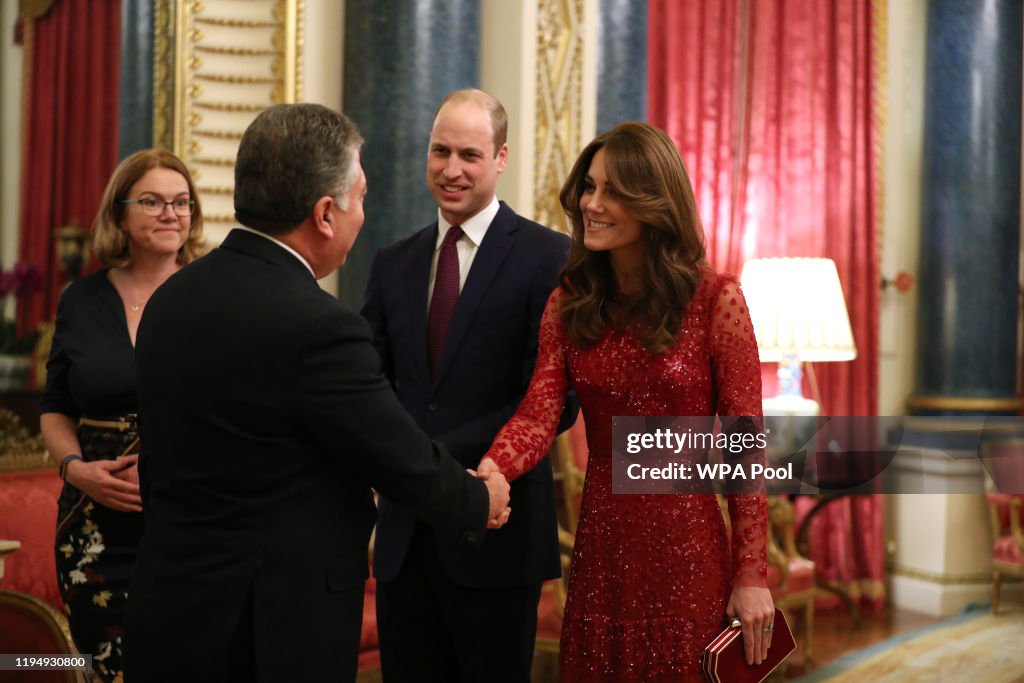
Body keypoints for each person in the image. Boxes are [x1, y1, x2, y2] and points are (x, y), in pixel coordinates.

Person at [124, 103, 511, 682]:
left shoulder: (170, 300)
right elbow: (393, 453)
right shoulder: (319, 326)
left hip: (168, 605)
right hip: (274, 626)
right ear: (325, 213)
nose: (362, 214)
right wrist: (479, 502)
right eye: (359, 199)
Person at [478, 121, 775, 682]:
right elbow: (539, 414)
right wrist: (496, 468)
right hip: (603, 551)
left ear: (654, 202)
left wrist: (752, 573)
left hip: (688, 550)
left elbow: (743, 447)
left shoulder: (716, 300)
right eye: (589, 187)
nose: (592, 203)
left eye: (612, 191)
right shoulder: (570, 303)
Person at [362, 88, 576, 682]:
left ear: (501, 158)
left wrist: (460, 464)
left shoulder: (549, 257)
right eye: (440, 151)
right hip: (407, 538)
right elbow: (368, 384)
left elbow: (552, 398)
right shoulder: (392, 262)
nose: (451, 169)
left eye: (470, 155)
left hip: (497, 532)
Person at [40, 148, 207, 682]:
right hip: (93, 524)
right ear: (120, 213)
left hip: (192, 517)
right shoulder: (81, 301)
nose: (170, 214)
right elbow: (55, 409)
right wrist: (75, 470)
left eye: (182, 203)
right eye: (153, 201)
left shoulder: (213, 296)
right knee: (104, 666)